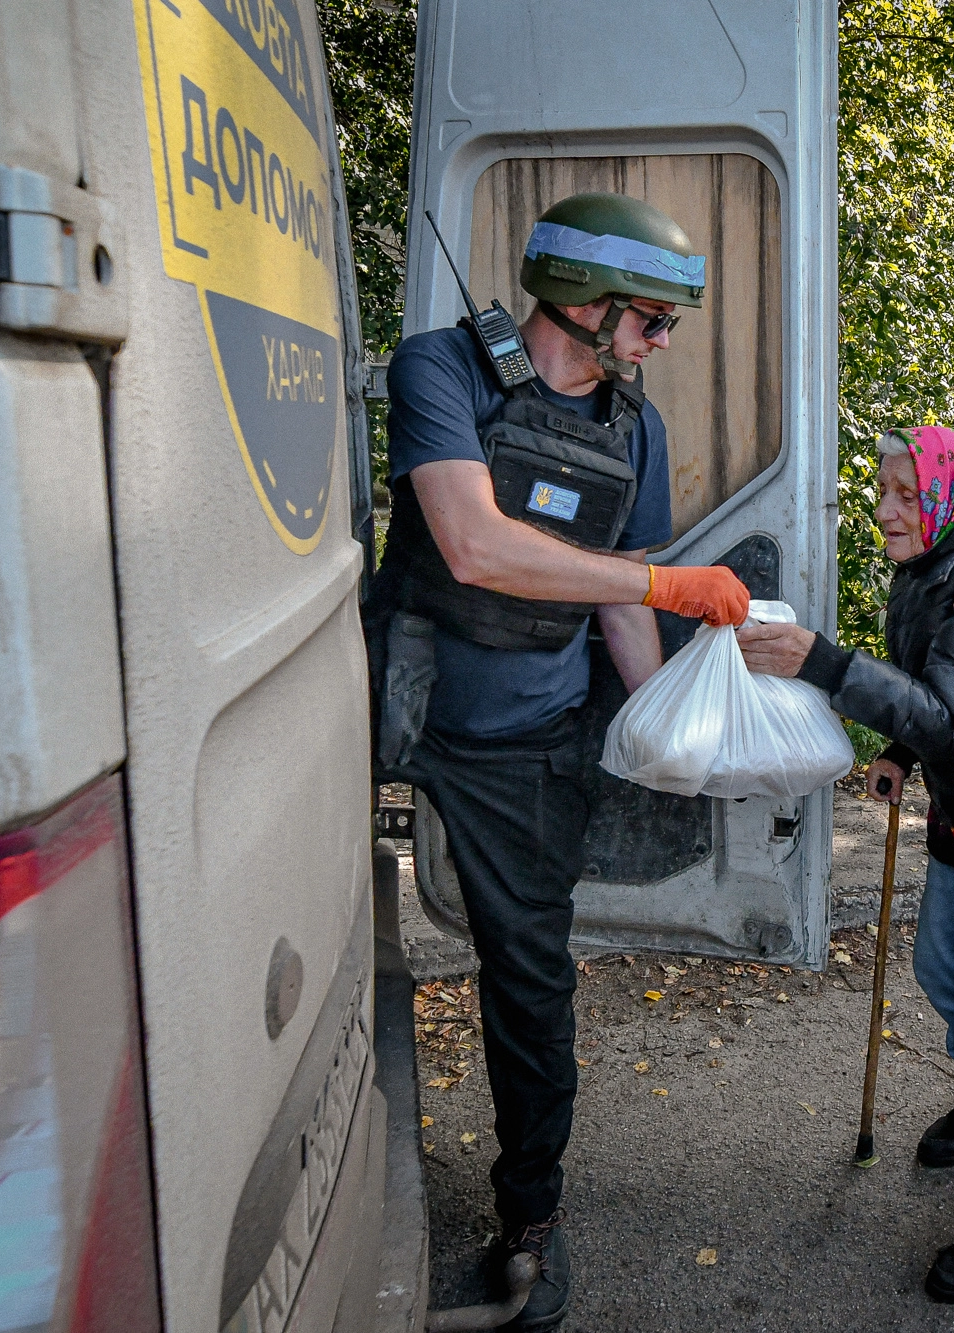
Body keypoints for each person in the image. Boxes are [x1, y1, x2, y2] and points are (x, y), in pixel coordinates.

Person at [371, 192, 750, 1328]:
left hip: (524, 741)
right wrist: (652, 582)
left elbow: (626, 608)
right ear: (582, 304)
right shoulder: (441, 369)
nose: (661, 344)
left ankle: (531, 1213)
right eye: (651, 321)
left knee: (530, 989)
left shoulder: (633, 429)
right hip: (397, 702)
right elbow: (474, 544)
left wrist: (661, 719)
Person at [735, 427, 954, 1304]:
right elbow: (946, 691)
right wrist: (901, 748)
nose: (886, 509)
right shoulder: (940, 559)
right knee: (943, 972)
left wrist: (822, 662)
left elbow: (946, 702)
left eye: (904, 493)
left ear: (947, 492)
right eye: (884, 491)